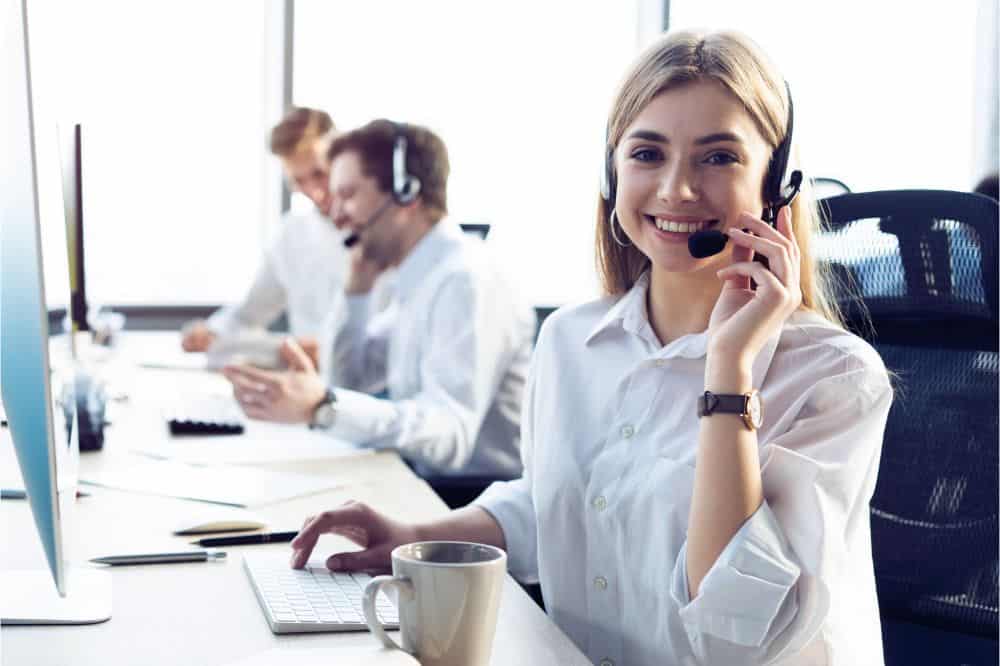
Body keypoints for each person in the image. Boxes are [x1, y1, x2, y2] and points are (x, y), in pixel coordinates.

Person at [286, 30, 894, 666]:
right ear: (612, 171)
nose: (677, 189)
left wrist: (728, 371)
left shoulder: (834, 375)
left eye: (718, 158)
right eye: (647, 154)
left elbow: (734, 639)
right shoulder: (572, 342)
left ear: (776, 182)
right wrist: (417, 537)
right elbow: (559, 503)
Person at [222, 119, 536, 484]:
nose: (335, 215)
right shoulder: (417, 278)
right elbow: (350, 381)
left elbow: (451, 437)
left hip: (466, 497)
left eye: (349, 195)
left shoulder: (464, 281)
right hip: (424, 481)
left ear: (406, 193)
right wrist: (355, 292)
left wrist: (325, 407)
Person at [180, 107, 347, 370]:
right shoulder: (292, 234)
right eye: (299, 181)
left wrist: (330, 349)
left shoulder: (382, 231)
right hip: (305, 383)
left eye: (319, 174)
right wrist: (212, 332)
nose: (315, 192)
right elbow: (250, 313)